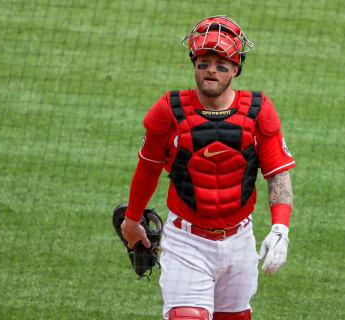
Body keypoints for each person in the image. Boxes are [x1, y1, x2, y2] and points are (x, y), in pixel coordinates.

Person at [121, 15, 296, 320]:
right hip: (187, 241)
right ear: (194, 65)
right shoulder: (168, 109)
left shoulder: (259, 110)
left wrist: (281, 228)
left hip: (240, 242)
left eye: (221, 64)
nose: (211, 70)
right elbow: (148, 167)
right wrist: (132, 219)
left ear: (236, 68)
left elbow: (277, 172)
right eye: (203, 62)